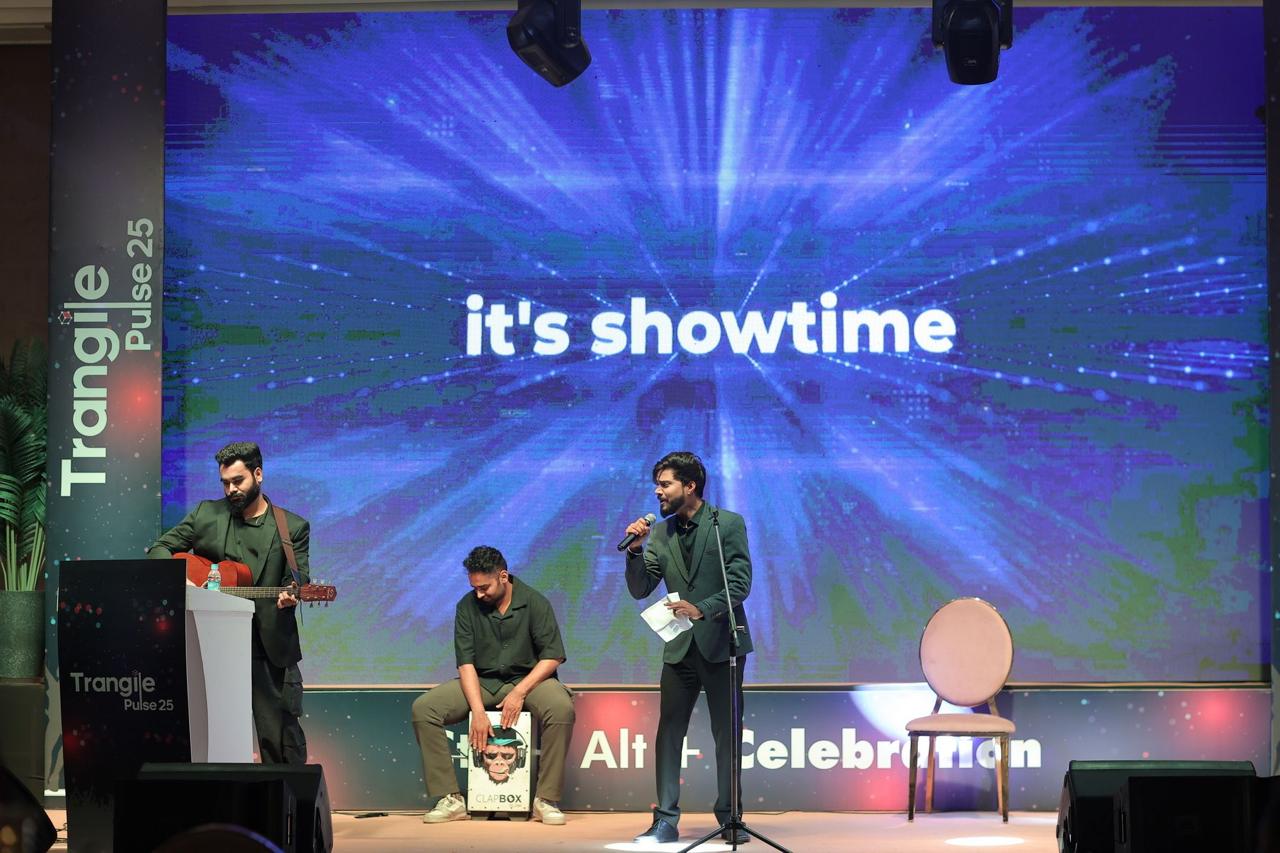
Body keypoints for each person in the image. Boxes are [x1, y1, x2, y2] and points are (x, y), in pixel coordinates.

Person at [147, 441, 310, 765]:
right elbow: (159, 549)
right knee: (207, 736)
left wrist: (291, 594)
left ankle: (282, 796)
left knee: (277, 741)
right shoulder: (206, 514)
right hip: (210, 644)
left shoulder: (292, 527)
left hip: (267, 647)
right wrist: (183, 581)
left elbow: (299, 578)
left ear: (258, 474)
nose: (231, 490)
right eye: (225, 483)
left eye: (238, 481)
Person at [622, 451, 753, 845]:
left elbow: (740, 583)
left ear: (690, 485)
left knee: (727, 734)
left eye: (665, 484)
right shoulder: (660, 534)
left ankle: (730, 817)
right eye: (657, 485)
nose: (657, 491)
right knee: (669, 733)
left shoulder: (726, 523)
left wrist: (703, 609)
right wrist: (635, 551)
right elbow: (640, 589)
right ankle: (665, 820)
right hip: (679, 648)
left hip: (722, 644)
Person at [410, 546, 575, 826]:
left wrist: (520, 692)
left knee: (561, 708)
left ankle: (545, 799)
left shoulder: (535, 602)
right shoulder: (466, 606)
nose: (479, 594)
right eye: (474, 588)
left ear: (503, 576)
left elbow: (553, 656)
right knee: (424, 709)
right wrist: (478, 712)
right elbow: (466, 664)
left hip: (529, 680)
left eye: (484, 588)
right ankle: (450, 798)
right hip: (483, 682)